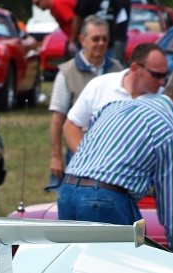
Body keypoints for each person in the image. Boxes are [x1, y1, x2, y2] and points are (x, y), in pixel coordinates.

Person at [58, 66, 173, 256]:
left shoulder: (116, 106)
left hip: (67, 191)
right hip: (107, 199)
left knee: (76, 272)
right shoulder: (171, 131)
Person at [48, 14, 121, 189]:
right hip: (78, 149)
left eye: (105, 39)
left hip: (114, 151)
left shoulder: (118, 70)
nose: (101, 43)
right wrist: (56, 156)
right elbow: (58, 119)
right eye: (96, 39)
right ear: (83, 40)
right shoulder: (66, 72)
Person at [63, 42, 168, 154]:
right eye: (156, 75)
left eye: (165, 75)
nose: (162, 82)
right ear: (135, 68)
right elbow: (72, 125)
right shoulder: (100, 85)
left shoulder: (164, 100)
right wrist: (85, 160)